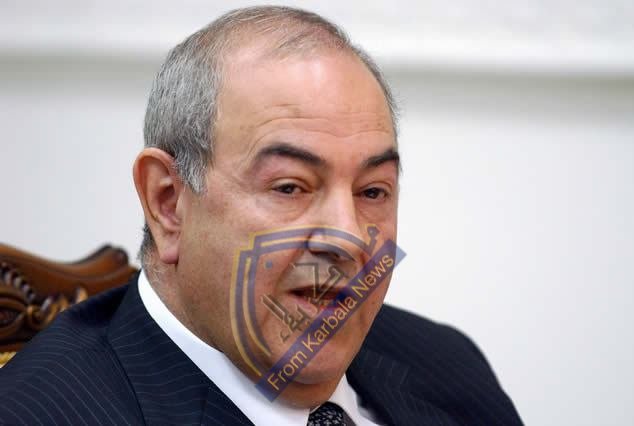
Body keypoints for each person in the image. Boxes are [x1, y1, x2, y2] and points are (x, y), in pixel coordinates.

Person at [0, 6, 522, 425]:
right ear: (168, 202)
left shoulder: (446, 365)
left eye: (372, 191)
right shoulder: (39, 413)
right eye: (290, 187)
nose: (348, 237)